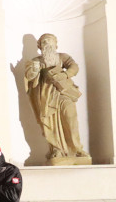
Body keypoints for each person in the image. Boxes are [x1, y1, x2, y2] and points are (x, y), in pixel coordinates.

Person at [23, 33, 90, 162]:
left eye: (50, 41)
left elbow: (74, 66)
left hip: (64, 92)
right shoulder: (36, 60)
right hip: (46, 96)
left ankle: (77, 149)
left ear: (56, 45)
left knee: (70, 118)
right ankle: (56, 149)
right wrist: (34, 70)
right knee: (51, 122)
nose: (47, 44)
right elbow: (29, 77)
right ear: (39, 46)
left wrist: (65, 75)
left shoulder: (62, 57)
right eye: (44, 42)